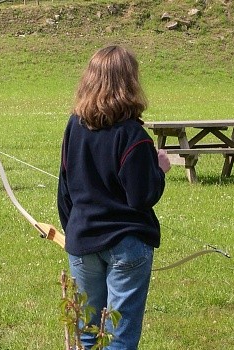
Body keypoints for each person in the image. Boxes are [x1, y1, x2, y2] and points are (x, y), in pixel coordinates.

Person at [57, 45, 171, 349]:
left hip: (83, 239)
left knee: (87, 332)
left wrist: (75, 231)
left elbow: (64, 188)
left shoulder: (75, 126)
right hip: (126, 244)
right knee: (118, 337)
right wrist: (159, 169)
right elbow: (142, 196)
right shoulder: (132, 135)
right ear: (129, 82)